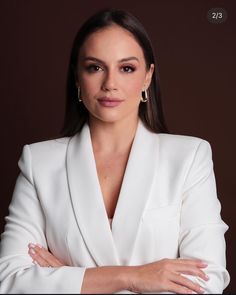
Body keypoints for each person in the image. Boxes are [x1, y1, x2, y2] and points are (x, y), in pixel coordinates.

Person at [0, 8, 230, 294]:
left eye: (127, 68)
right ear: (77, 78)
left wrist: (68, 278)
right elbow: (9, 280)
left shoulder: (189, 157)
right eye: (95, 67)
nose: (110, 84)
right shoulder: (39, 162)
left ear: (147, 77)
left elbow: (206, 284)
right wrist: (132, 278)